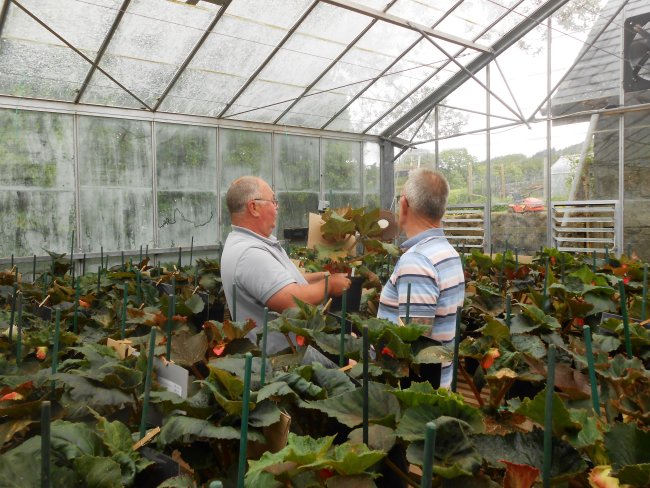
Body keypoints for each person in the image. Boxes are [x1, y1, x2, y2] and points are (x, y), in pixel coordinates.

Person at [220, 176, 351, 354]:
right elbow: (292, 301)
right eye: (273, 201)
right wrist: (329, 285)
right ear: (254, 207)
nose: (277, 207)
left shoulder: (247, 242)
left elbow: (280, 284)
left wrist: (322, 276)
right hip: (282, 359)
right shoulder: (250, 254)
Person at [377, 168, 464, 389]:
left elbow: (411, 344)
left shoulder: (418, 261)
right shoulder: (448, 253)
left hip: (414, 394)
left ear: (404, 204)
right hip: (439, 386)